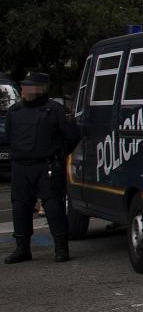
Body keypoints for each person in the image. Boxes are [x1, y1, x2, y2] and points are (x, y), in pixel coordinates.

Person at [6, 72, 82, 264]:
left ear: (40, 89)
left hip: (47, 165)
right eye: (24, 86)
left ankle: (61, 248)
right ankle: (22, 249)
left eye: (30, 87)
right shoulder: (14, 111)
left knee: (53, 206)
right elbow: (10, 137)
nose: (26, 90)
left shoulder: (54, 110)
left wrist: (59, 155)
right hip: (21, 166)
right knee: (20, 207)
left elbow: (72, 135)